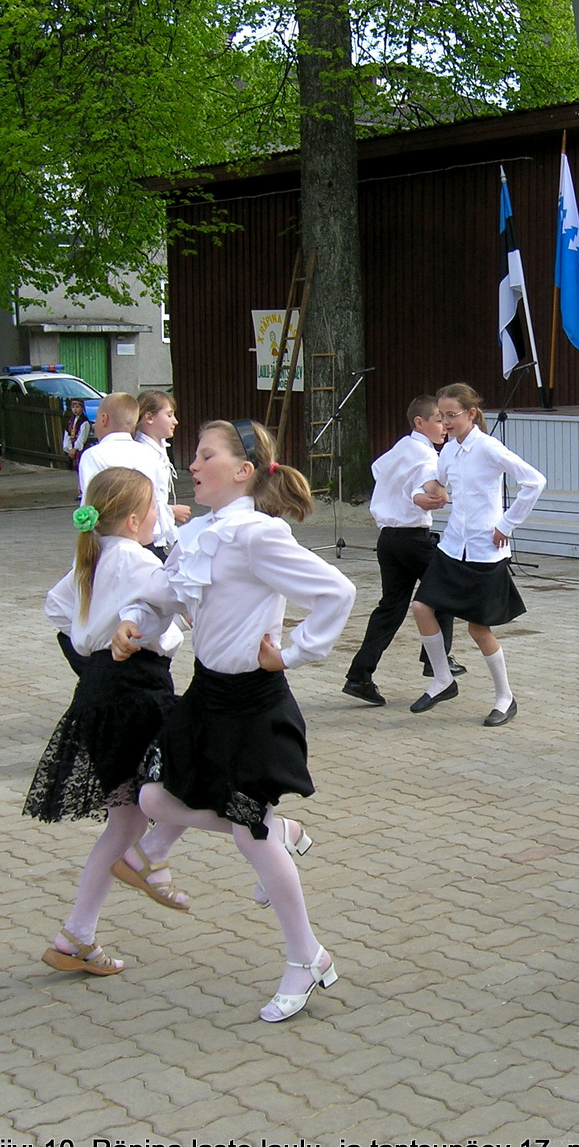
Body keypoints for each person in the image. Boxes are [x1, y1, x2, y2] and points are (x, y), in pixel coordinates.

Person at [116, 419, 355, 1022]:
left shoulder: (257, 535)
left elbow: (337, 592)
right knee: (154, 797)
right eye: (193, 455)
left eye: (205, 456)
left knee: (251, 831)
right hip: (206, 698)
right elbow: (163, 598)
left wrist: (295, 652)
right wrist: (133, 622)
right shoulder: (200, 533)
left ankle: (307, 956)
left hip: (254, 704)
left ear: (243, 471)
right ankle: (283, 832)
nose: (192, 465)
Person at [26, 467, 190, 975]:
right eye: (155, 507)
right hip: (136, 691)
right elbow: (180, 601)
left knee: (125, 822)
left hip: (97, 692)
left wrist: (92, 645)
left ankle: (76, 936)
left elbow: (57, 608)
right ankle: (161, 858)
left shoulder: (91, 559)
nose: (160, 516)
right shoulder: (138, 559)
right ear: (136, 519)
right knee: (198, 768)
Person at [409, 383, 545, 726]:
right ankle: (442, 680)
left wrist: (507, 523)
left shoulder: (488, 447)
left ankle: (505, 697)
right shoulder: (449, 451)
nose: (445, 422)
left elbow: (534, 482)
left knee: (478, 629)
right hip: (452, 546)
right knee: (421, 607)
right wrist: (418, 494)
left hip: (486, 551)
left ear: (471, 414)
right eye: (441, 416)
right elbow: (435, 481)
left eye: (451, 415)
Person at [342, 395, 462, 706]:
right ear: (420, 423)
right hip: (412, 539)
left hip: (388, 539)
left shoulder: (401, 447)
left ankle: (359, 676)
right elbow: (430, 489)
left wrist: (404, 494)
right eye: (438, 420)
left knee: (391, 608)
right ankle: (436, 661)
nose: (444, 427)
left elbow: (377, 469)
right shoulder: (425, 455)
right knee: (446, 589)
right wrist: (429, 495)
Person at [133, 390, 191, 559]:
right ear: (149, 418)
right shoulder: (142, 453)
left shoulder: (157, 450)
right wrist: (171, 511)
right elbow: (142, 498)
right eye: (169, 415)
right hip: (145, 536)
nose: (175, 421)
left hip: (155, 534)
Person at [62, 397, 92, 472]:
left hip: (81, 449)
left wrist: (75, 449)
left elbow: (82, 437)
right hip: (71, 449)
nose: (75, 409)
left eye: (77, 407)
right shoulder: (71, 421)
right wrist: (69, 449)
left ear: (82, 408)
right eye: (73, 407)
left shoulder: (84, 422)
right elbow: (67, 434)